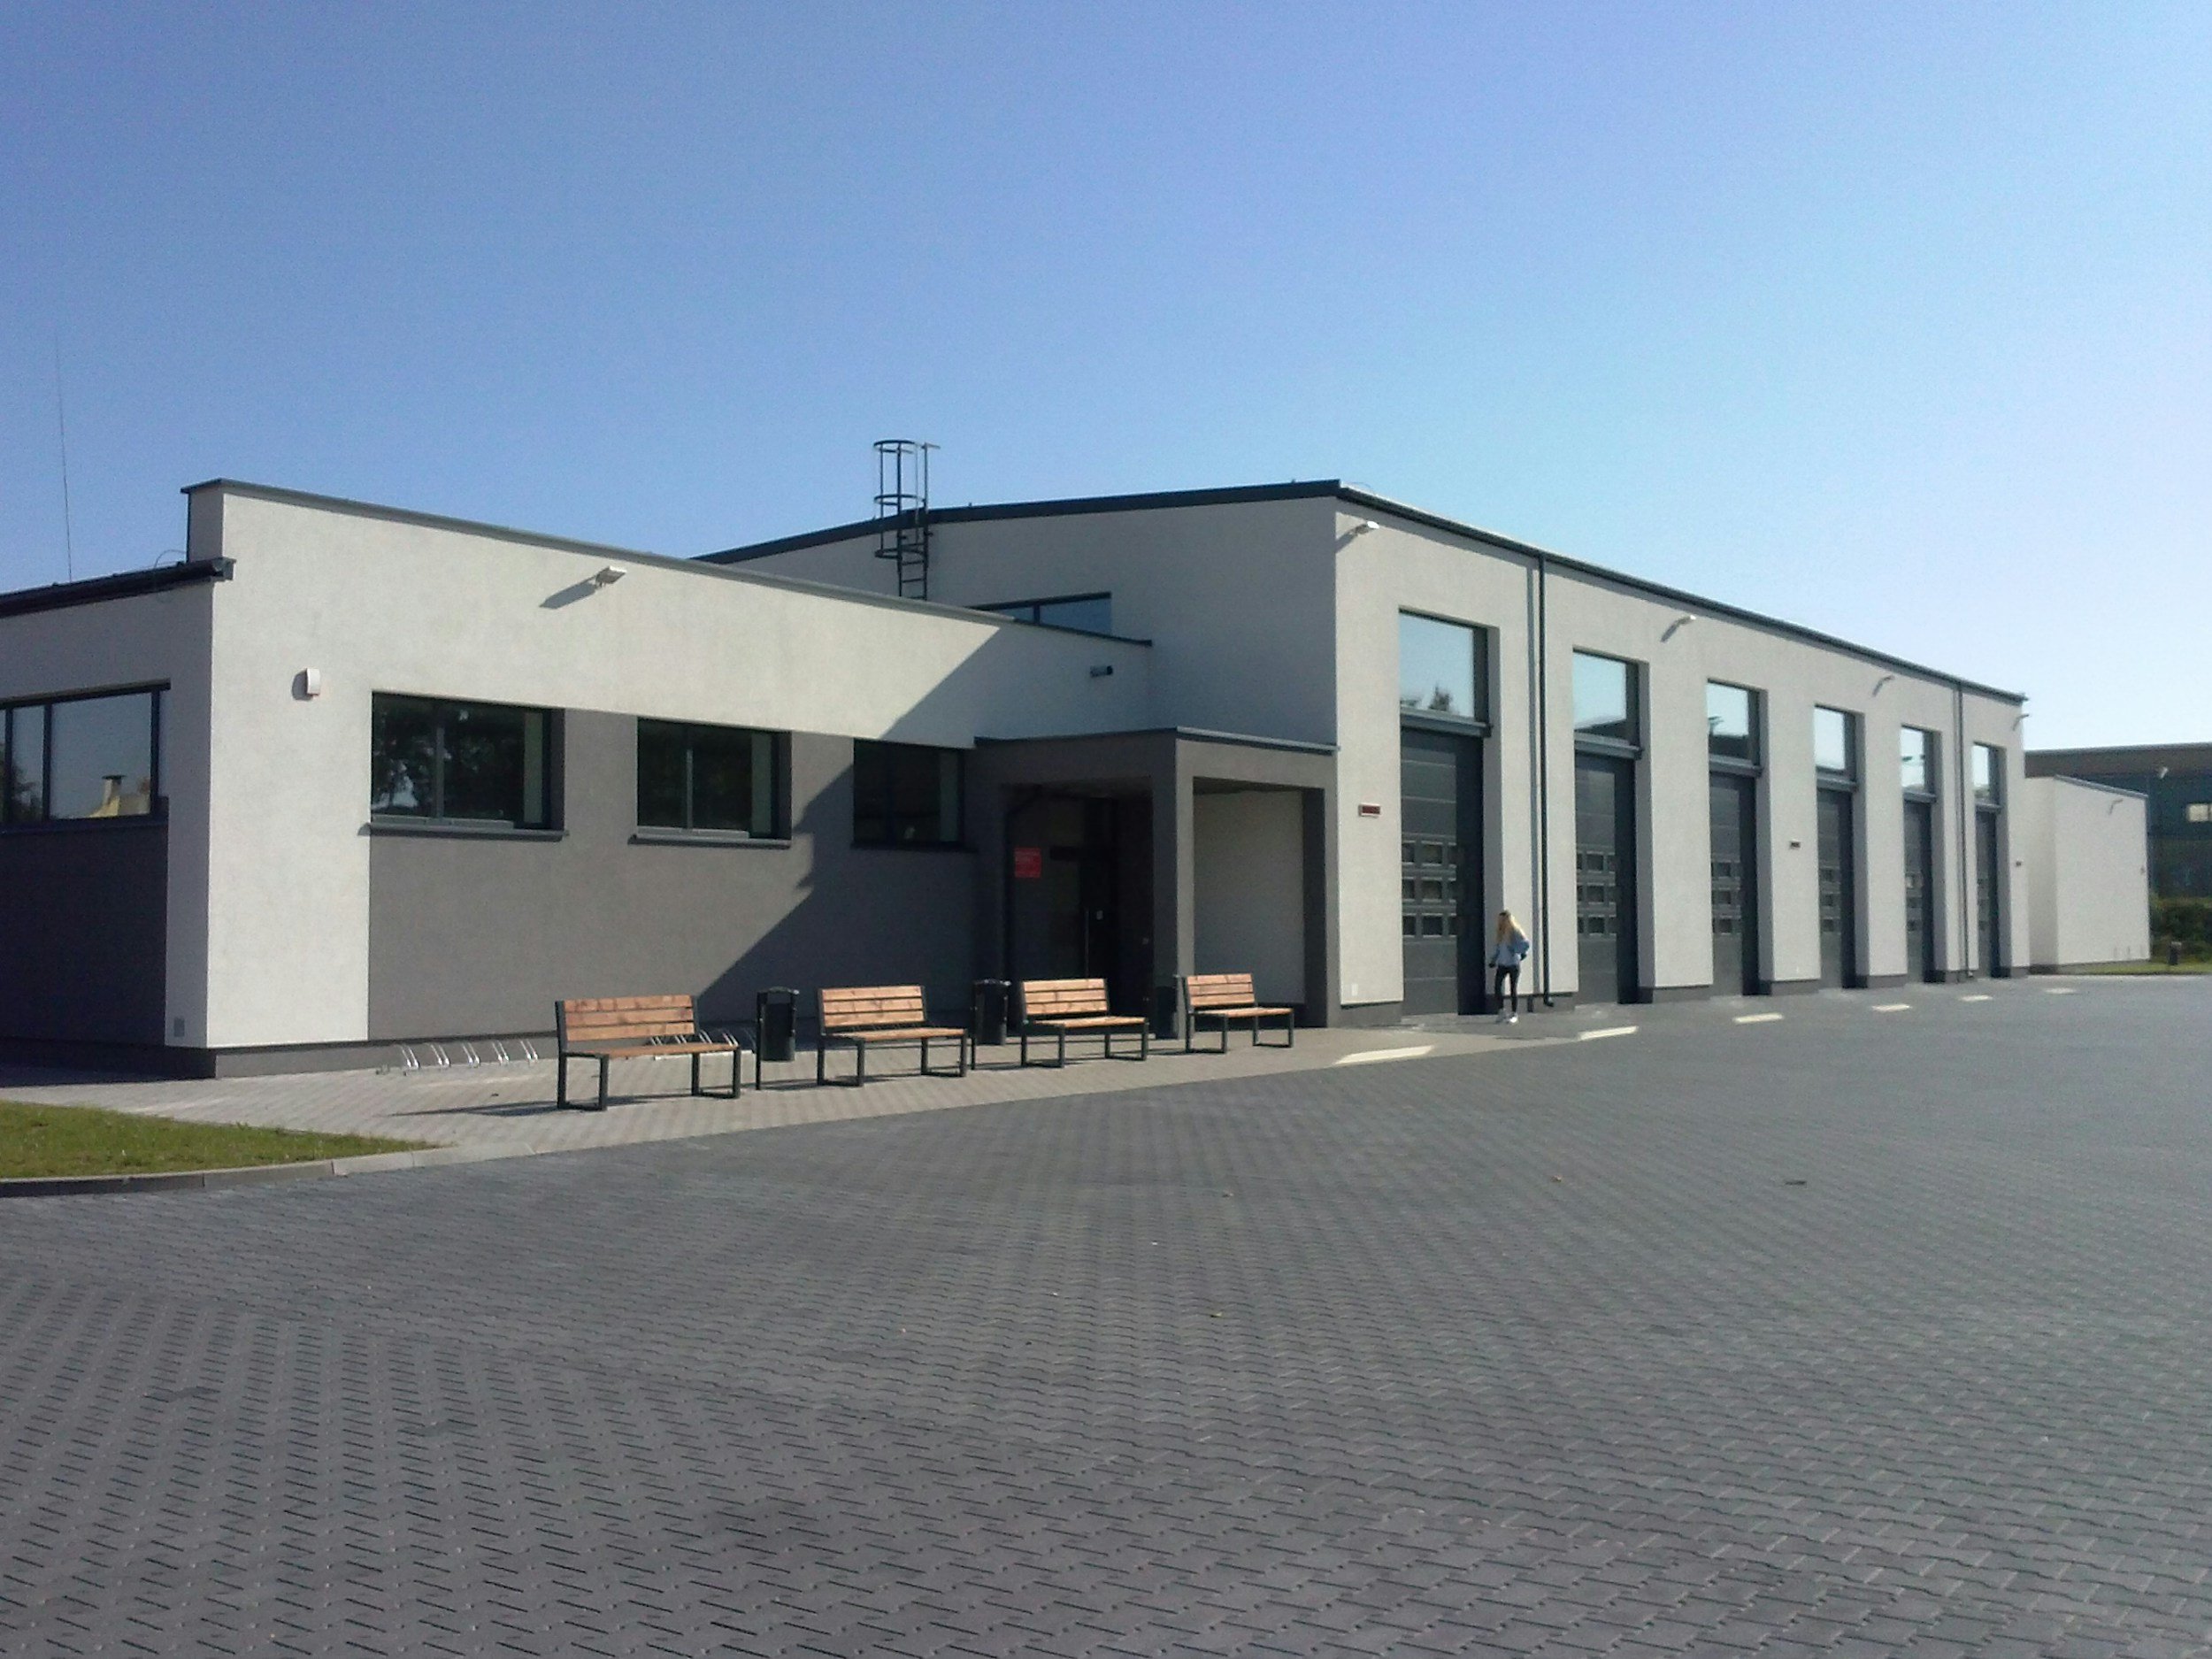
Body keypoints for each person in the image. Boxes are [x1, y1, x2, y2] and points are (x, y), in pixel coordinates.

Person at [1490, 910, 1531, 1022]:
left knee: (1513, 988)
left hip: (1513, 964)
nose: (1501, 922)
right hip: (1502, 964)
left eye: (1503, 920)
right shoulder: (1500, 933)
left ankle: (1514, 1014)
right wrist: (1493, 959)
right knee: (1497, 987)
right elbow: (1498, 948)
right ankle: (1501, 1011)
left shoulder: (1515, 932)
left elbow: (1526, 943)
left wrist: (1517, 951)